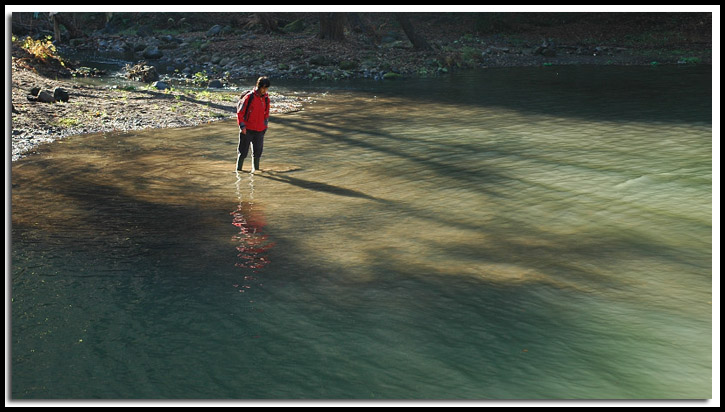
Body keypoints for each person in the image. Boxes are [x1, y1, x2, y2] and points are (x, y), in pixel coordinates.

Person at [236, 76, 271, 173]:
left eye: (266, 88)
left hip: (260, 130)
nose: (264, 90)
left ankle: (256, 171)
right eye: (263, 88)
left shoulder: (267, 99)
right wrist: (242, 126)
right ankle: (239, 170)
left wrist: (265, 127)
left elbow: (266, 115)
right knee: (243, 152)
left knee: (258, 153)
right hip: (247, 129)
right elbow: (240, 113)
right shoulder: (249, 97)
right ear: (258, 86)